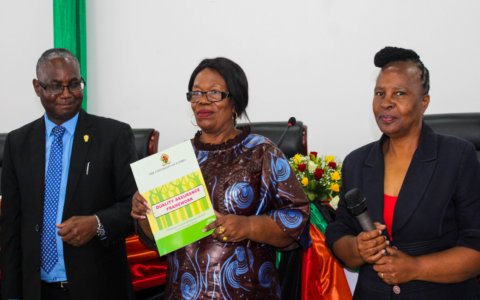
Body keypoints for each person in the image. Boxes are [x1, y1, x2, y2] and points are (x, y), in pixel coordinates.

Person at [131, 57, 311, 299]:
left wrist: (247, 226)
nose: (203, 100)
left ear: (234, 100)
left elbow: (296, 217)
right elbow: (157, 239)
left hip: (248, 291)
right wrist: (143, 213)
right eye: (196, 93)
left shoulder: (262, 152)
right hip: (182, 292)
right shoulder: (176, 161)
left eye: (214, 92)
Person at [325, 46, 480, 299]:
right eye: (379, 93)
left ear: (424, 102)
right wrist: (357, 248)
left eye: (399, 93)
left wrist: (415, 268)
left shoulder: (457, 156)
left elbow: (476, 244)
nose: (386, 103)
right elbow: (340, 231)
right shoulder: (356, 162)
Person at [0, 48, 137, 300]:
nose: (66, 94)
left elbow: (135, 207)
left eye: (74, 84)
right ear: (37, 87)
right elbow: (10, 226)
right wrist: (10, 294)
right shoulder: (17, 142)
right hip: (36, 289)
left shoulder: (113, 136)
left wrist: (97, 223)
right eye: (55, 86)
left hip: (98, 287)